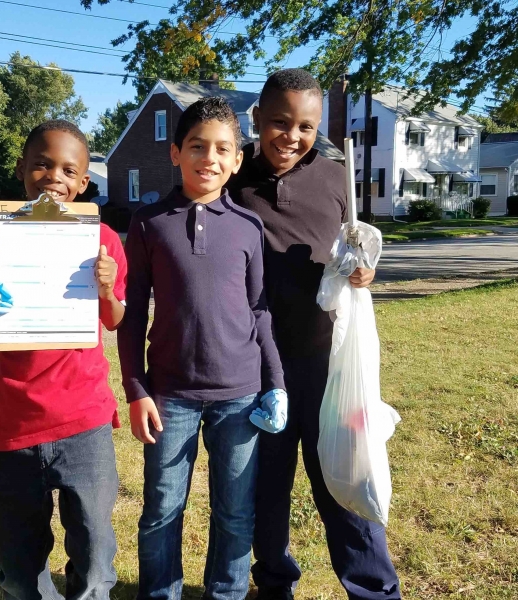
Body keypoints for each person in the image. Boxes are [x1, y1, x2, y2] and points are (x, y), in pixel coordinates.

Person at [227, 69, 401, 600]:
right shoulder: (231, 179)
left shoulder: (334, 178)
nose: (292, 136)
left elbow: (354, 256)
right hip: (258, 368)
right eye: (279, 122)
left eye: (306, 126)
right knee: (266, 490)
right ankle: (274, 583)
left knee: (344, 482)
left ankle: (374, 589)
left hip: (330, 366)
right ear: (256, 119)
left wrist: (364, 268)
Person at [117, 96, 287, 600]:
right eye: (196, 146)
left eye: (222, 149)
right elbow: (131, 314)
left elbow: (259, 310)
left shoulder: (249, 227)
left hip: (240, 396)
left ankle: (227, 593)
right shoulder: (148, 223)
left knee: (236, 512)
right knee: (162, 509)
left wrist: (275, 384)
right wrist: (136, 388)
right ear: (176, 153)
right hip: (170, 396)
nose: (208, 158)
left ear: (237, 159)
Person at [0, 119, 127, 600]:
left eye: (68, 169)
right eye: (42, 163)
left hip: (85, 420)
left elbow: (115, 318)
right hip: (15, 423)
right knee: (18, 563)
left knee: (96, 555)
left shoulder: (104, 243)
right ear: (21, 169)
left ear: (82, 182)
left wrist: (106, 287)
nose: (53, 175)